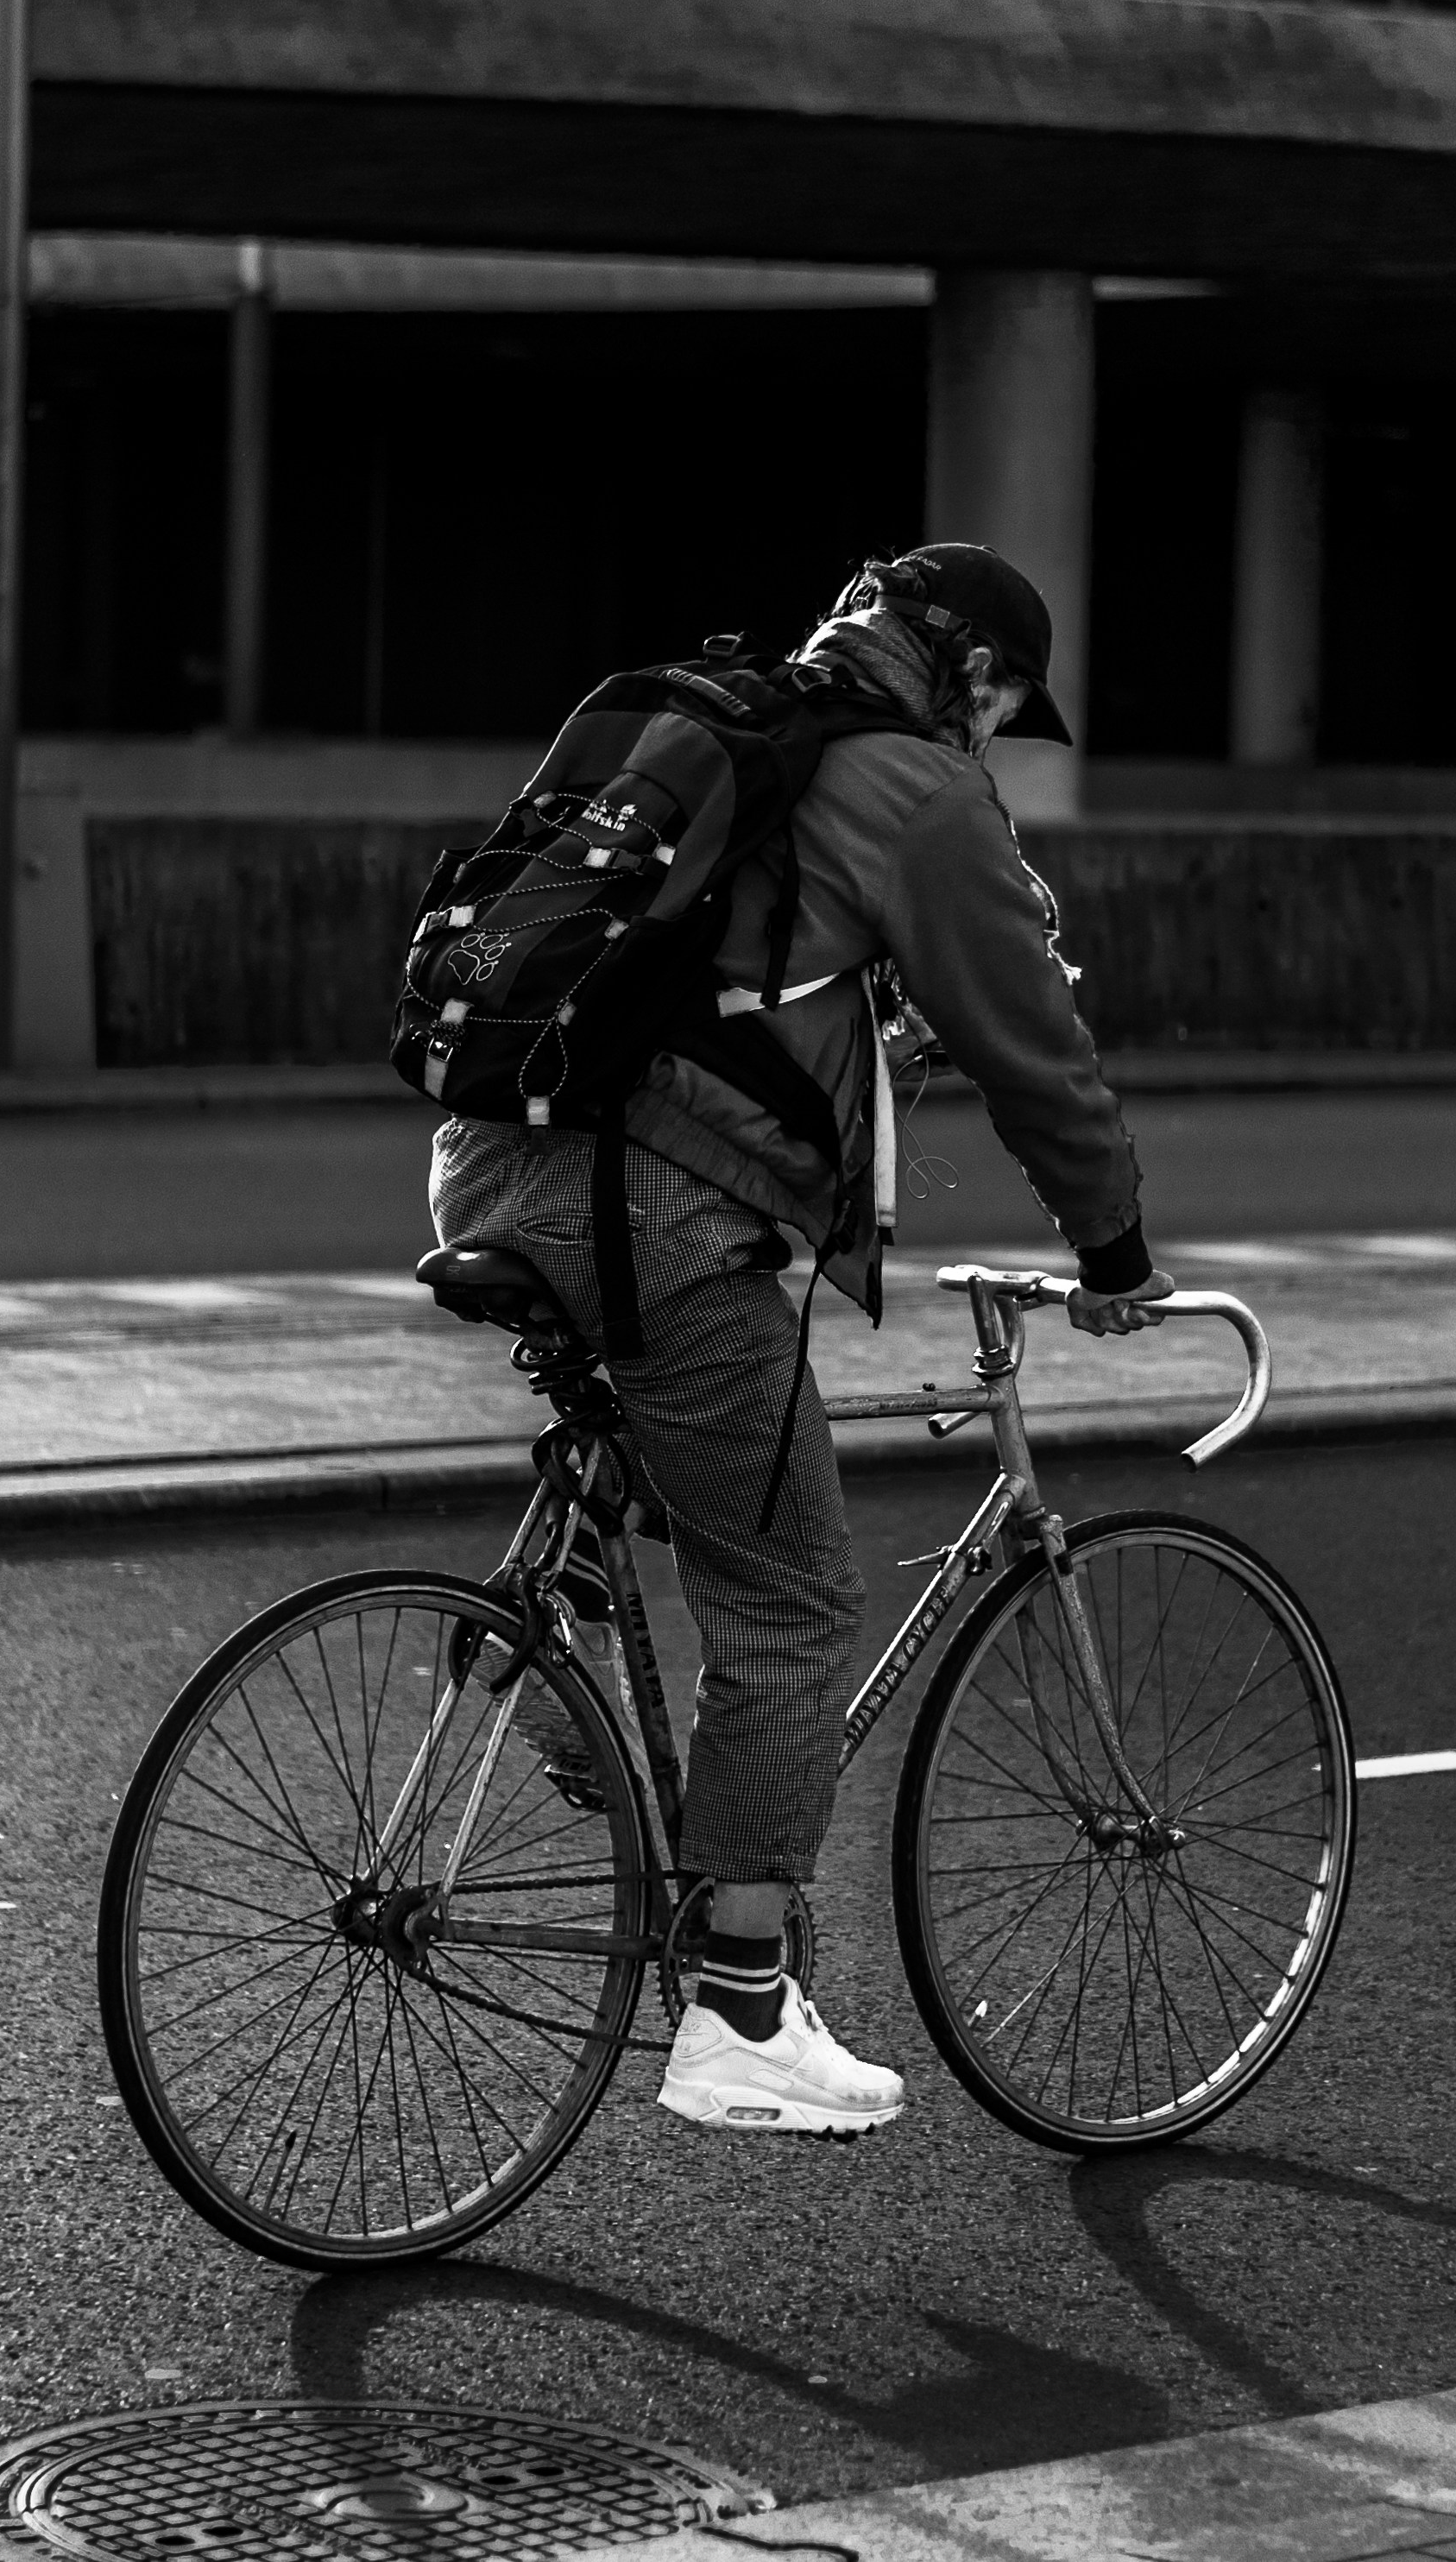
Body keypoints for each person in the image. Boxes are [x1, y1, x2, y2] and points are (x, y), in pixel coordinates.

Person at [426, 543, 1175, 2137]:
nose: (998, 733)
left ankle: (555, 1662)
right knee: (792, 1602)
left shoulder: (730, 728)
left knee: (687, 1463)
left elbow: (730, 991)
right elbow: (1037, 1048)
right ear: (973, 674)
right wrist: (1113, 1252)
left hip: (495, 1155)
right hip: (653, 1215)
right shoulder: (918, 791)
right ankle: (742, 2014)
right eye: (1006, 706)